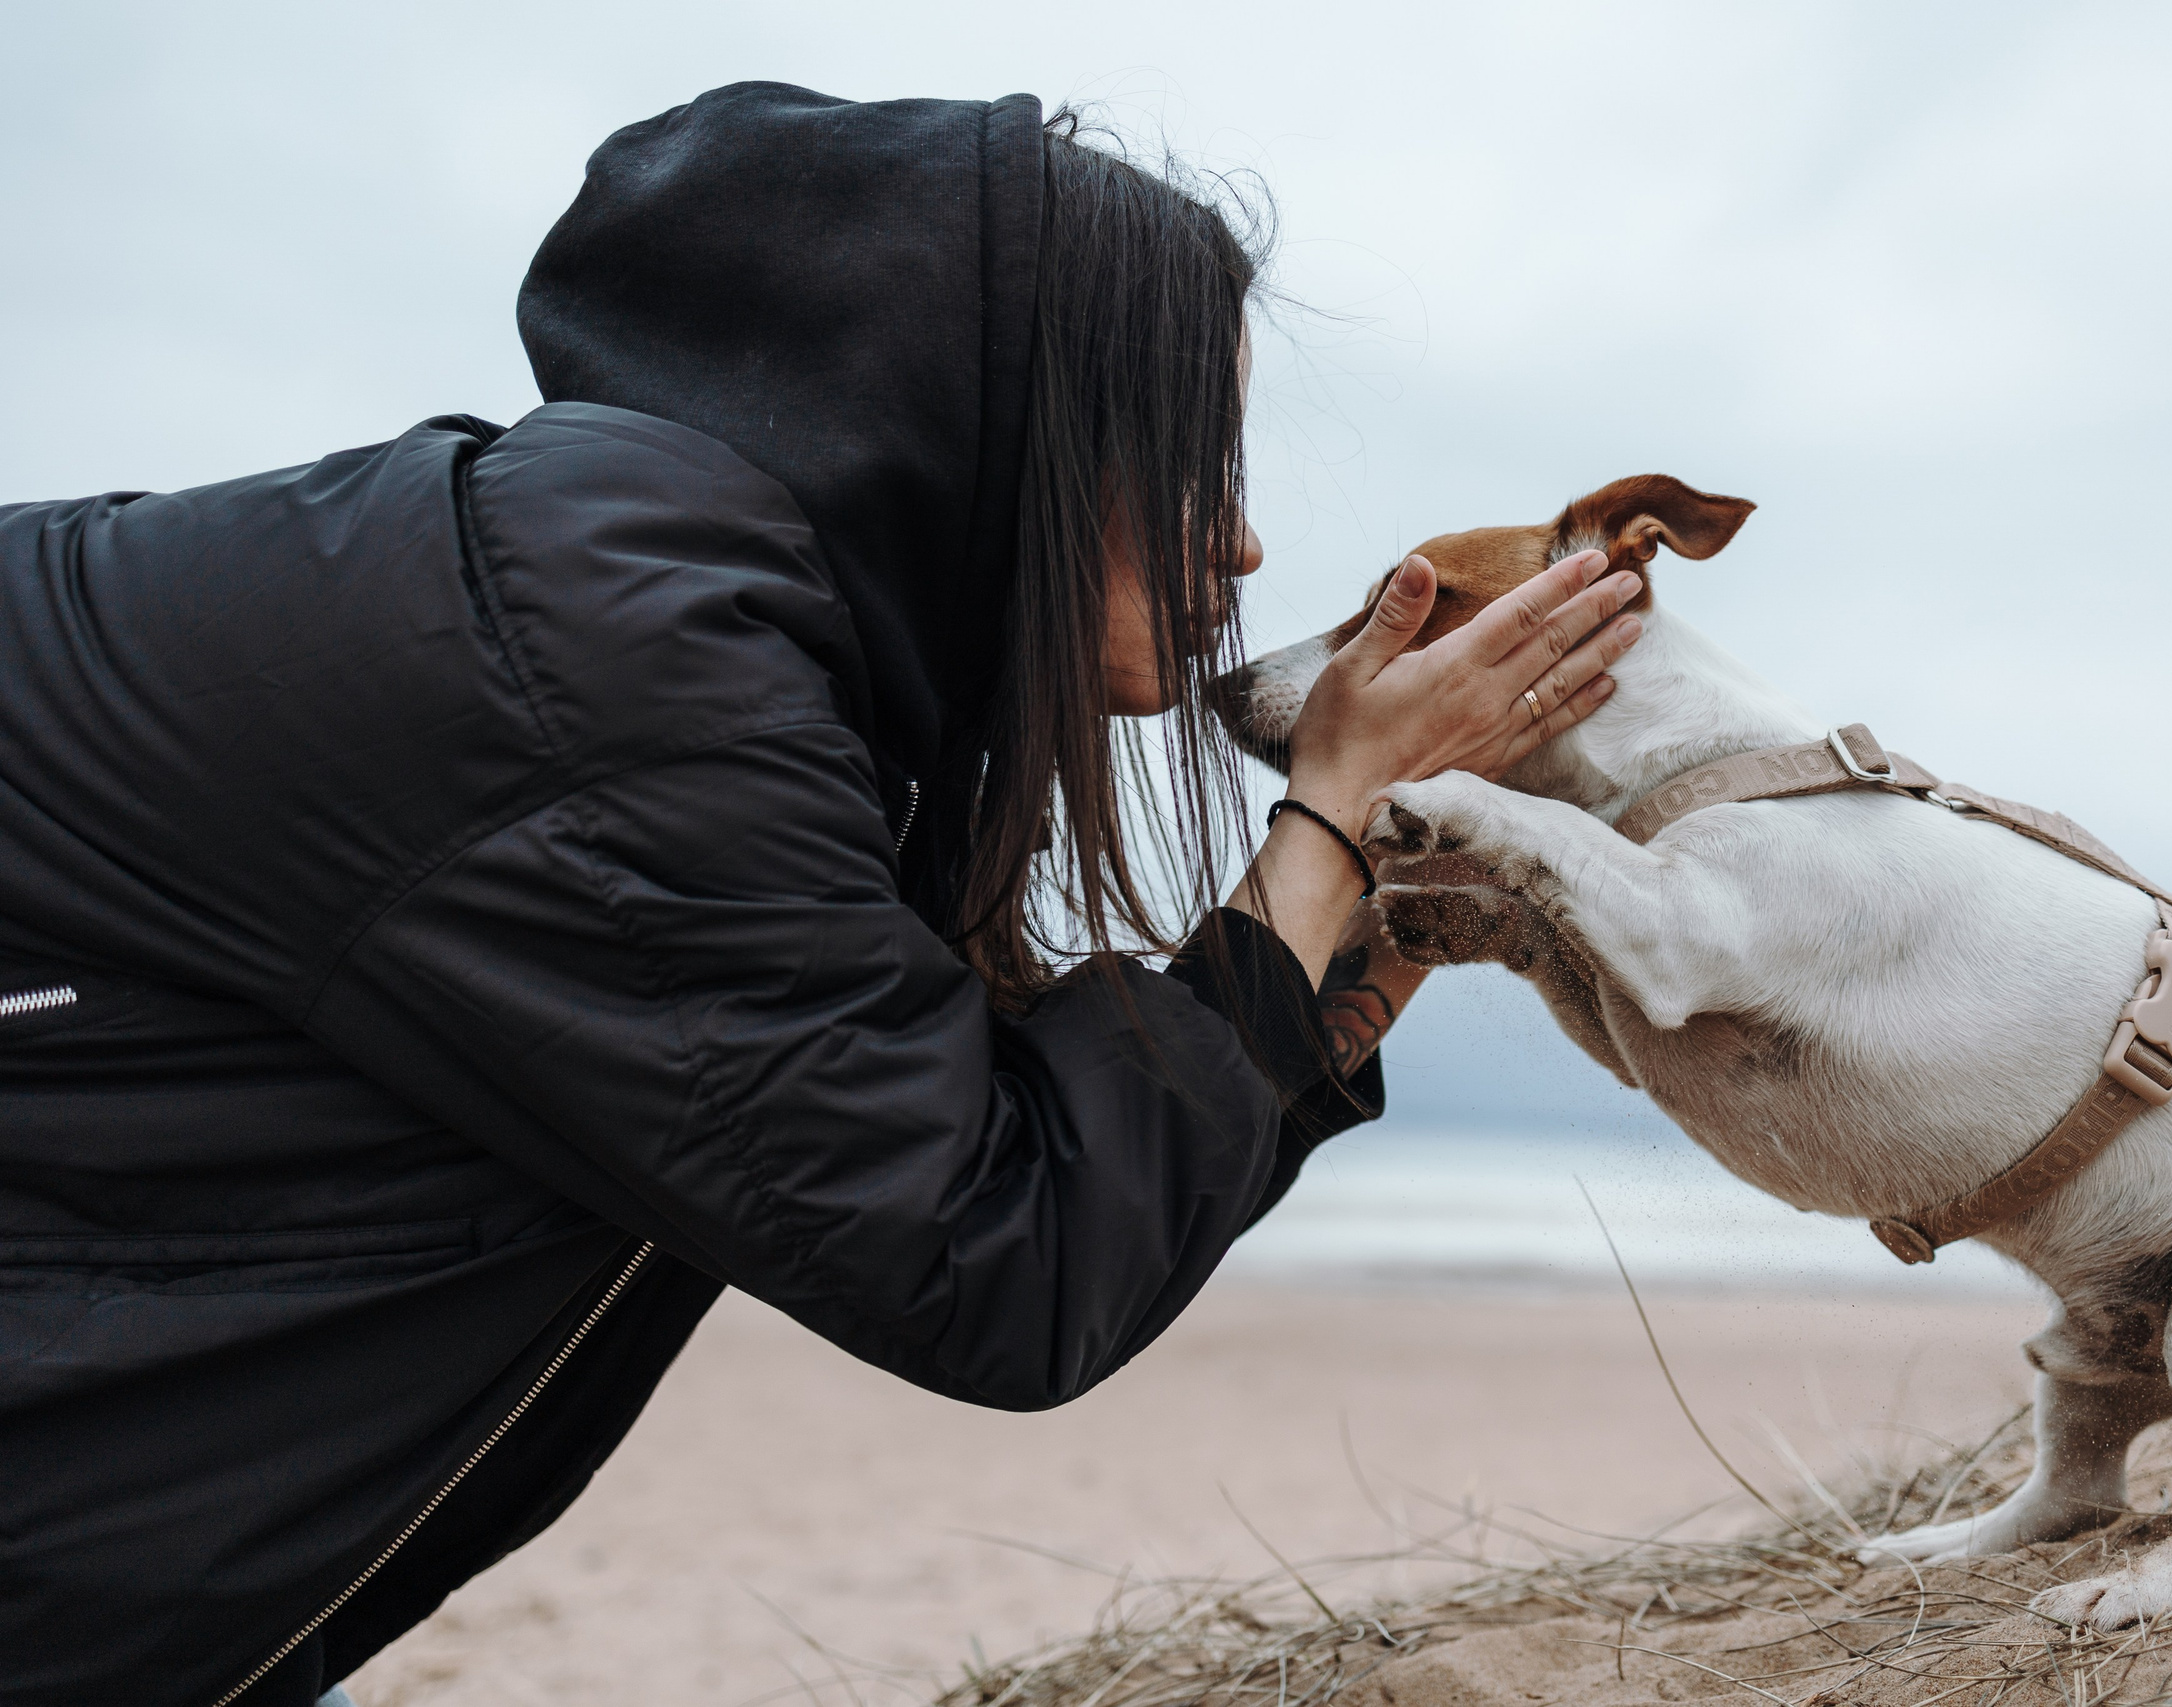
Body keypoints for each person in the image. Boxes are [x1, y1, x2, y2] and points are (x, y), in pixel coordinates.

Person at [0, 84, 1642, 1707]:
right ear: (996, 423)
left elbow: (997, 1140)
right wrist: (1337, 808)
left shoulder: (696, 642)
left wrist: (1381, 900)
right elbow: (998, 1256)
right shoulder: (606, 672)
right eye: (1185, 451)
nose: (1246, 546)